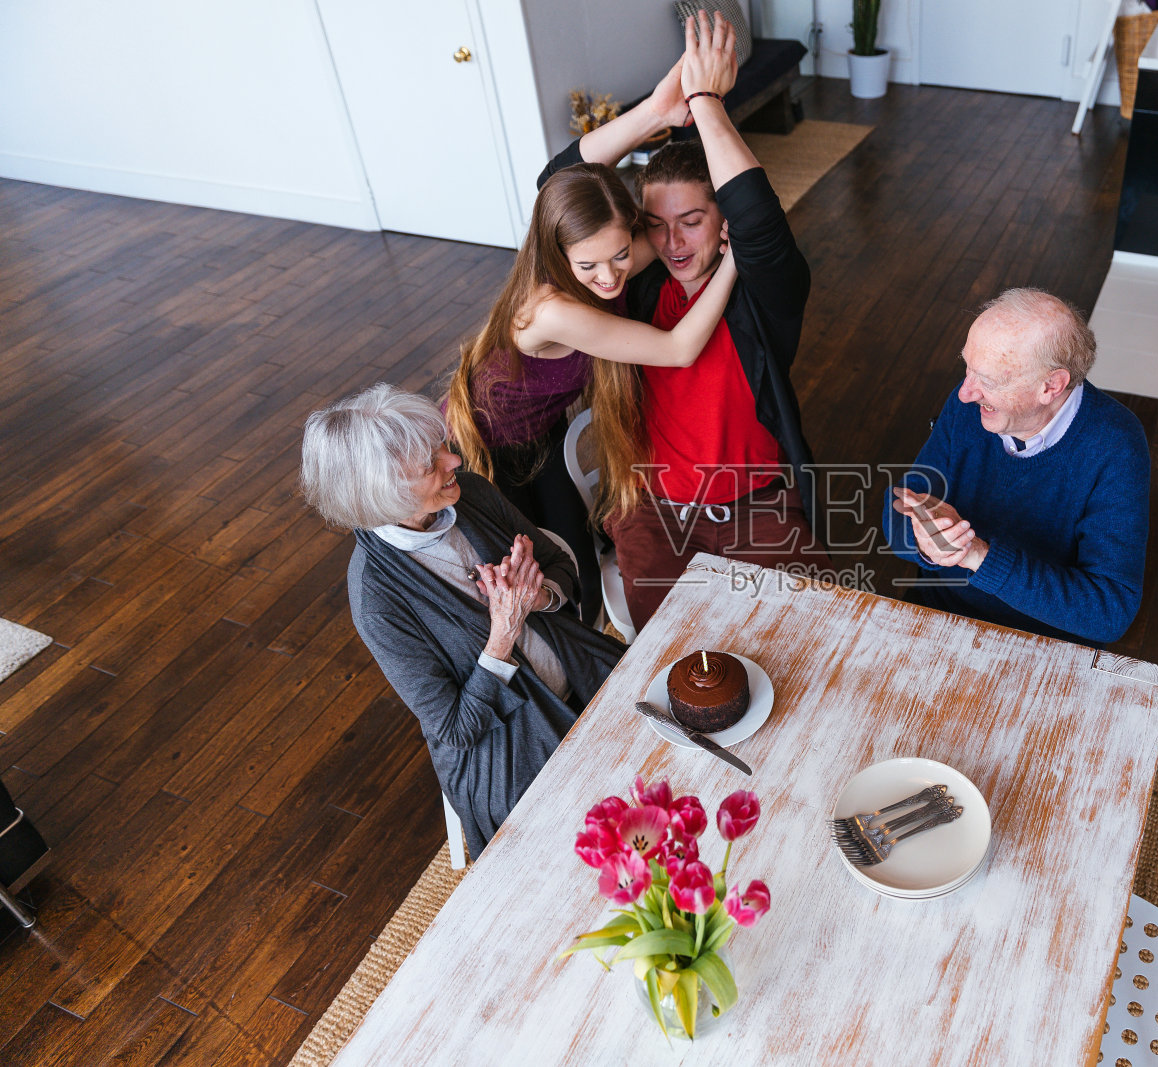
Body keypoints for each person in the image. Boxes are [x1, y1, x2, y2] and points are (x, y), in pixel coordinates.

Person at [538, 12, 831, 628]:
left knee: (805, 641)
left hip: (760, 508)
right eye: (655, 224)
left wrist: (707, 103)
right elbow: (556, 190)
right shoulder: (630, 288)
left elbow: (757, 215)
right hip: (656, 514)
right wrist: (656, 113)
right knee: (666, 658)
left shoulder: (765, 291)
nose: (671, 243)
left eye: (692, 221)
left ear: (722, 219)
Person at [445, 66, 740, 626]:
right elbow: (678, 348)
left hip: (543, 434)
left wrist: (660, 110)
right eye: (589, 266)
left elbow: (560, 178)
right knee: (538, 579)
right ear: (559, 253)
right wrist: (733, 261)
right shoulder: (553, 309)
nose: (610, 279)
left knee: (573, 568)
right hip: (485, 454)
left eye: (621, 255)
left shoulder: (612, 257)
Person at [301, 383, 625, 858]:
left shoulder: (469, 493)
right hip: (509, 750)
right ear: (384, 499)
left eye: (441, 445)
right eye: (429, 465)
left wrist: (536, 598)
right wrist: (502, 636)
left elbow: (560, 564)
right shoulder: (377, 596)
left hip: (582, 673)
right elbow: (456, 729)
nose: (452, 461)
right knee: (610, 845)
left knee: (684, 745)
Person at [881, 288, 1150, 645]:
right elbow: (899, 508)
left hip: (1043, 643)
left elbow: (1108, 613)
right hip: (939, 614)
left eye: (989, 381)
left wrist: (978, 556)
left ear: (1051, 386)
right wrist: (925, 541)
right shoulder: (969, 407)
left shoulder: (1116, 446)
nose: (965, 392)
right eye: (968, 367)